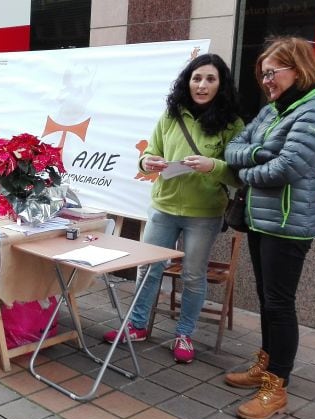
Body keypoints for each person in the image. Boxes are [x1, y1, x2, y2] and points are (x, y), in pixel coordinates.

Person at [102, 54, 245, 363]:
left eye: (210, 79)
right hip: (163, 207)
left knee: (193, 275)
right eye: (197, 78)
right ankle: (137, 326)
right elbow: (149, 153)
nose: (202, 85)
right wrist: (148, 162)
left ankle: (184, 334)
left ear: (221, 84)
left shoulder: (232, 124)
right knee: (148, 268)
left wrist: (212, 165)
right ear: (187, 82)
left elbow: (238, 175)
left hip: (204, 213)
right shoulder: (171, 115)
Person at [223, 37, 315, 419]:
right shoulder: (273, 110)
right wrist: (258, 153)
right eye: (263, 74)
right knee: (268, 300)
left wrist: (245, 173)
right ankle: (266, 365)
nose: (266, 81)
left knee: (279, 305)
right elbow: (232, 147)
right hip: (261, 218)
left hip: (289, 223)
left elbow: (288, 167)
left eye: (272, 73)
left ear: (298, 70)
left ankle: (276, 386)